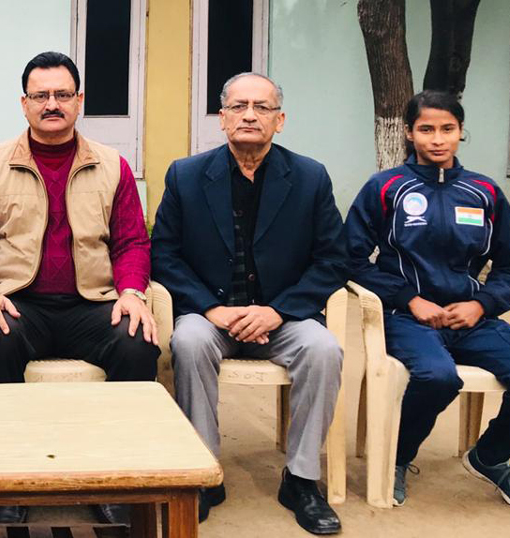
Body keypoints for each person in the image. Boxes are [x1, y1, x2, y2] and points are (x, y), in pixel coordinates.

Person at [0, 51, 159, 526]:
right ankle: (9, 480)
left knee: (137, 343)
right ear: (24, 103)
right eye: (41, 95)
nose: (52, 104)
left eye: (62, 95)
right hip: (20, 303)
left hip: (93, 304)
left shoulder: (112, 166)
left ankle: (116, 480)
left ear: (79, 101)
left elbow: (132, 241)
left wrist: (132, 292)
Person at [344, 90, 510, 513]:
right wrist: (409, 299)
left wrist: (482, 305)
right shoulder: (385, 187)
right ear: (409, 133)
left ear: (461, 132)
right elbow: (349, 258)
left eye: (448, 129)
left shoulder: (484, 191)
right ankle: (398, 457)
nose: (437, 138)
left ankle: (491, 456)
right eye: (426, 129)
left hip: (472, 319)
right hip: (407, 318)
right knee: (438, 377)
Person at [151, 73, 347, 534]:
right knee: (189, 341)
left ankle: (301, 480)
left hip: (283, 316)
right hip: (212, 316)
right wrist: (210, 309)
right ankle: (204, 472)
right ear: (222, 118)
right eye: (239, 107)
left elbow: (334, 259)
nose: (250, 115)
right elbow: (164, 254)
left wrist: (278, 310)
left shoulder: (310, 177)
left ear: (280, 120)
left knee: (324, 349)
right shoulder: (186, 175)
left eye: (262, 107)